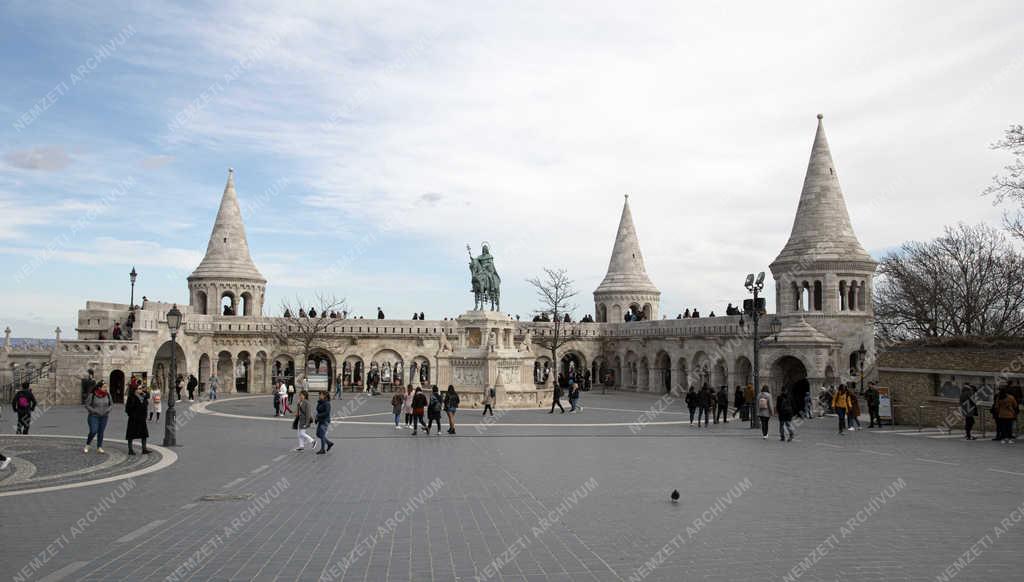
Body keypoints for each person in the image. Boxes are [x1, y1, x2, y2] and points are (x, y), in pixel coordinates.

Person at [84, 381, 113, 454]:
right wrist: (94, 411)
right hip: (94, 416)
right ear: (99, 387)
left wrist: (108, 410)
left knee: (101, 432)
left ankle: (99, 447)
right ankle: (87, 444)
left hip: (104, 416)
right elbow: (87, 405)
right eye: (104, 387)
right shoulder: (92, 395)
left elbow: (111, 404)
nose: (106, 388)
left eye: (106, 387)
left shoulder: (108, 395)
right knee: (93, 431)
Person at [124, 384, 150, 455]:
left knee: (144, 434)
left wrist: (145, 415)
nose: (141, 389)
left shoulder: (143, 396)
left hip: (142, 418)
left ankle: (144, 449)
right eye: (139, 388)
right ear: (135, 390)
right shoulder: (131, 397)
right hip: (134, 419)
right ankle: (130, 450)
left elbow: (146, 404)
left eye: (141, 388)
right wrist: (132, 415)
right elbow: (127, 409)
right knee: (131, 435)